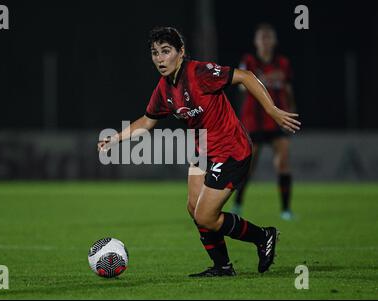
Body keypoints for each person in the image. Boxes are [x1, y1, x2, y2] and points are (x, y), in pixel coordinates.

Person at [97, 27, 300, 277]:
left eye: (166, 51)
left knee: (205, 217)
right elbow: (147, 121)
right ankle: (223, 267)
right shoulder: (163, 88)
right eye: (154, 53)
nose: (160, 58)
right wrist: (116, 138)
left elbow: (246, 77)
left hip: (230, 150)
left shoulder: (200, 73)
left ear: (180, 52)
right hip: (203, 150)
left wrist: (273, 111)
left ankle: (263, 236)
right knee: (194, 209)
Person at [233, 23, 297, 221]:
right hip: (253, 121)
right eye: (262, 37)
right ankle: (238, 204)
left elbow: (287, 89)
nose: (265, 41)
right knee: (249, 167)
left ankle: (286, 210)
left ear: (274, 41)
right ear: (256, 41)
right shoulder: (249, 61)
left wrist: (292, 110)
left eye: (269, 37)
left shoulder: (283, 63)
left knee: (283, 162)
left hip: (277, 120)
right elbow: (241, 87)